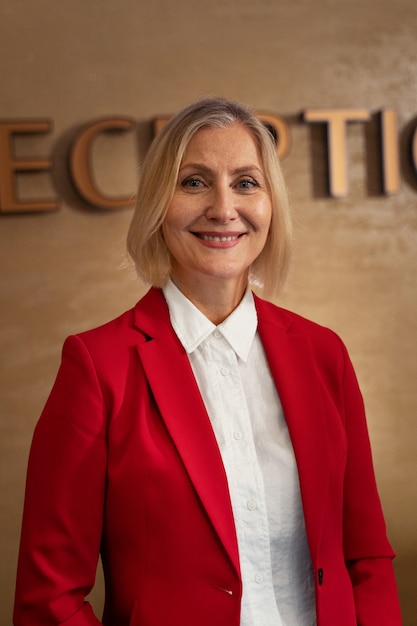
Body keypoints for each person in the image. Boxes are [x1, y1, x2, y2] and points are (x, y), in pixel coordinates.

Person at [14, 97, 402, 626]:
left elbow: (365, 558)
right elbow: (49, 599)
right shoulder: (96, 367)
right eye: (194, 182)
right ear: (158, 203)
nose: (223, 208)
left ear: (271, 205)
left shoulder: (323, 353)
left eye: (246, 183)